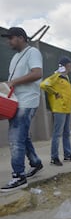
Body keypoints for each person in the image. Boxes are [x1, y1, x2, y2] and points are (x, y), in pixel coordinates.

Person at [0, 27, 44, 192]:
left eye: (10, 38)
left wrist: (13, 82)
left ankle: (19, 176)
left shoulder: (32, 52)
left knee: (15, 138)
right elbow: (14, 81)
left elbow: (37, 73)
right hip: (17, 102)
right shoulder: (15, 57)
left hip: (27, 102)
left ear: (20, 38)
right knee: (22, 137)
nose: (8, 41)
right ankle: (35, 163)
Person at [40, 56, 71, 166]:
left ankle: (67, 154)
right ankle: (54, 157)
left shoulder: (65, 77)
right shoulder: (56, 76)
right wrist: (54, 93)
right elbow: (43, 85)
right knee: (57, 134)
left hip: (67, 108)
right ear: (66, 65)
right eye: (70, 64)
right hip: (59, 108)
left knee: (66, 133)